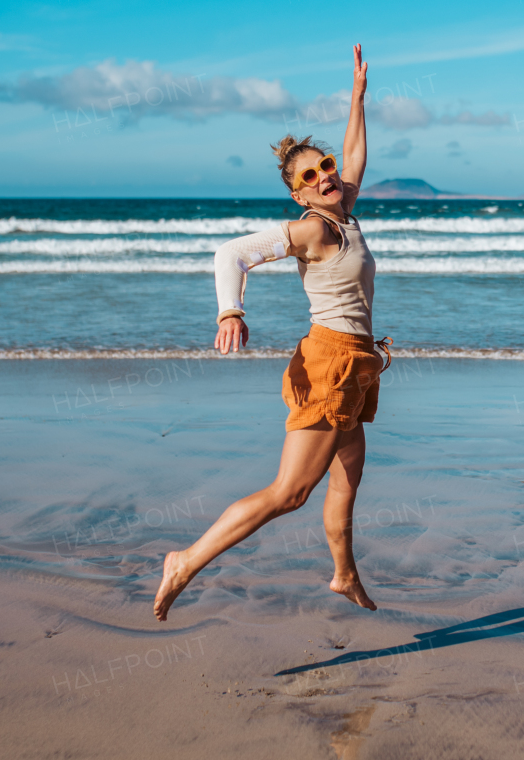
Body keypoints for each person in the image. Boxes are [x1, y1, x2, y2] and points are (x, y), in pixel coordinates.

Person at [154, 44, 387, 621]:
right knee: (291, 492)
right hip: (330, 364)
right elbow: (231, 252)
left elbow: (356, 151)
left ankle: (343, 574)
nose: (327, 175)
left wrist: (357, 96)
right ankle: (184, 560)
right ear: (299, 193)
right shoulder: (314, 229)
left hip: (357, 364)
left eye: (326, 165)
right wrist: (229, 311)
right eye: (312, 175)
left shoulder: (345, 209)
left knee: (347, 477)